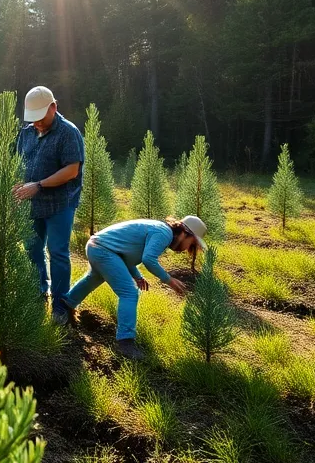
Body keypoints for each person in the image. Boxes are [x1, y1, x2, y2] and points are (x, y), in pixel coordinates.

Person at [60, 216, 207, 360]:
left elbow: (127, 254)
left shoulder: (161, 229)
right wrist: (169, 280)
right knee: (129, 293)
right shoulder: (164, 234)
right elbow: (148, 259)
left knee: (93, 278)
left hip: (97, 246)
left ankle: (66, 305)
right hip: (103, 249)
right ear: (184, 233)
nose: (187, 249)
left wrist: (137, 276)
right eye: (191, 244)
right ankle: (125, 343)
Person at [13, 86, 84, 323]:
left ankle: (61, 305)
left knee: (58, 252)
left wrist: (38, 185)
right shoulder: (26, 133)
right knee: (32, 249)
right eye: (33, 119)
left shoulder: (68, 132)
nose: (37, 124)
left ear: (53, 107)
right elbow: (19, 163)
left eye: (41, 118)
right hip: (32, 203)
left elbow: (72, 170)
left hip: (60, 204)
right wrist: (19, 186)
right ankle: (38, 291)